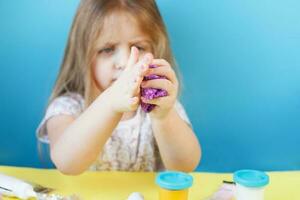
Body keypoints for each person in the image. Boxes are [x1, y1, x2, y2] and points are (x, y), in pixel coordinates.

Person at [36, 0, 201, 175]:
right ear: (82, 55)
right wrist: (110, 103)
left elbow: (185, 167)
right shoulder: (68, 108)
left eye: (138, 47)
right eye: (107, 49)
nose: (124, 63)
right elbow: (66, 163)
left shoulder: (163, 107)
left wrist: (163, 117)